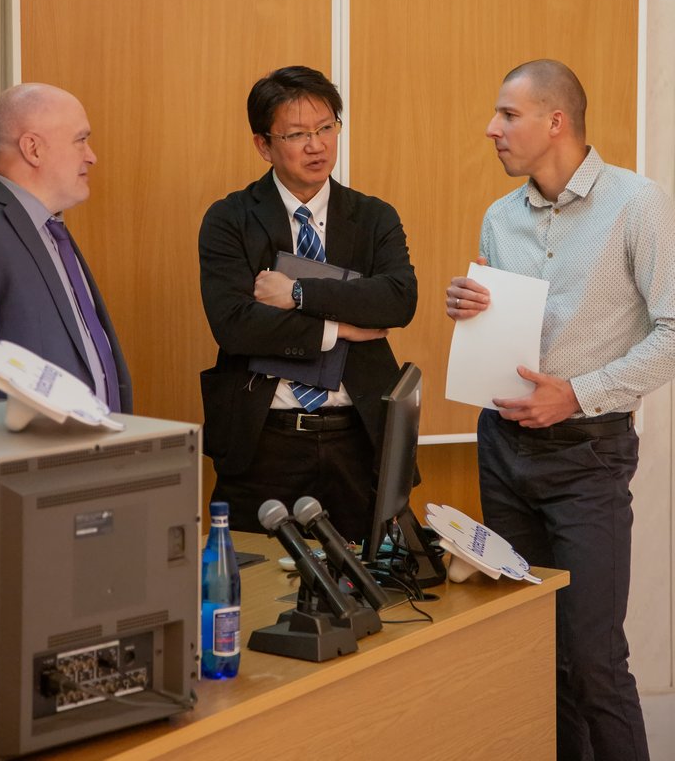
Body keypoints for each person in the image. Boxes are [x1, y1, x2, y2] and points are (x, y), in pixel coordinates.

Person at [446, 59, 675, 761]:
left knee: (594, 661)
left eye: (508, 114)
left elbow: (674, 331)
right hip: (503, 447)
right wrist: (471, 311)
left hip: (589, 455)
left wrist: (576, 393)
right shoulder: (499, 217)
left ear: (556, 122)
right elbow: (508, 334)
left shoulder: (638, 204)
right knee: (537, 653)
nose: (492, 129)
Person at [198, 65, 417, 541]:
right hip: (263, 440)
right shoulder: (230, 219)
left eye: (326, 128)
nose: (317, 146)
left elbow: (397, 300)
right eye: (297, 134)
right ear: (264, 145)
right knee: (254, 578)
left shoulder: (373, 216)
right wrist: (340, 329)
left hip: (359, 437)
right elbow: (236, 325)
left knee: (370, 576)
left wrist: (299, 293)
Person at [0, 82, 132, 411]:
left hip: (91, 442)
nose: (91, 156)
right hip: (22, 445)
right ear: (33, 149)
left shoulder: (50, 229)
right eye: (81, 140)